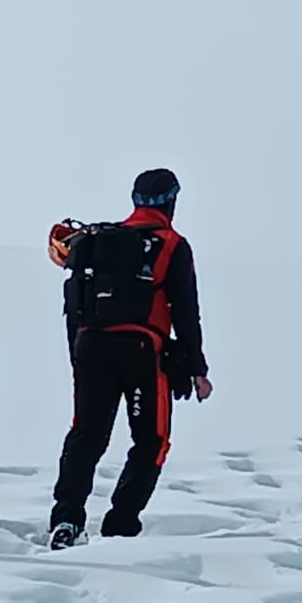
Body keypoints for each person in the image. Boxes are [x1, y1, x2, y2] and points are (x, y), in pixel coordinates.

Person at [47, 169, 211, 549]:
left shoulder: (95, 240)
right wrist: (197, 369)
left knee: (86, 435)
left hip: (90, 348)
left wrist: (78, 354)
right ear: (172, 201)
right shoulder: (171, 244)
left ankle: (66, 520)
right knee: (151, 440)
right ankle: (121, 524)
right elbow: (186, 311)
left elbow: (74, 304)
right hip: (141, 352)